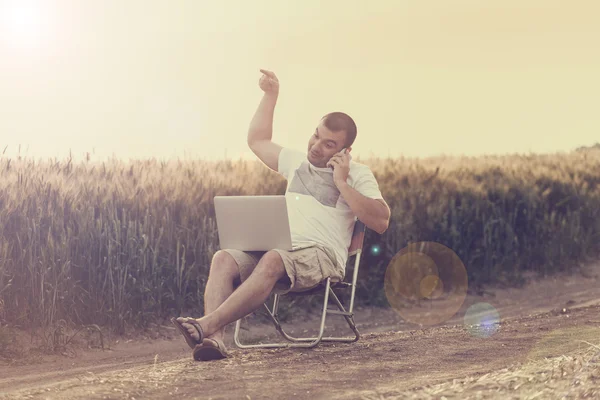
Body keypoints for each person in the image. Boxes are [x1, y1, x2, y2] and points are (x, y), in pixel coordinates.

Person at [172, 69, 391, 361]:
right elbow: (257, 139)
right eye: (317, 136)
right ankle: (213, 341)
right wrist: (270, 96)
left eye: (329, 144)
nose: (316, 146)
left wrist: (341, 182)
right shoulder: (296, 161)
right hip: (279, 248)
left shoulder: (358, 175)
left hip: (321, 256)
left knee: (275, 258)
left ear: (346, 150)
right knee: (223, 258)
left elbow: (380, 220)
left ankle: (206, 324)